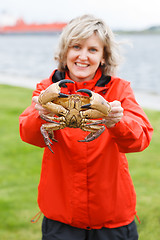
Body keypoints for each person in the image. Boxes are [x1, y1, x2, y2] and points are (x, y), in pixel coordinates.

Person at [19, 14, 153, 240]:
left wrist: (116, 122)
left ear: (103, 57)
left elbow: (141, 138)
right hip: (61, 217)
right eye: (76, 46)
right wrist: (39, 115)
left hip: (112, 216)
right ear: (64, 52)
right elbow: (29, 134)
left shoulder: (118, 92)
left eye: (93, 50)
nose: (83, 56)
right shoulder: (46, 89)